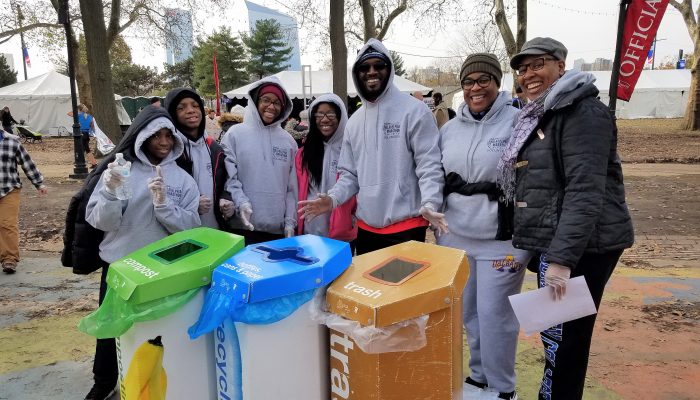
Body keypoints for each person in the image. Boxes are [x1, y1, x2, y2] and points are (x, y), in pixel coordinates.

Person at [499, 37, 634, 400]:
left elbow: (584, 190)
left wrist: (560, 259)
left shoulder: (582, 111)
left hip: (583, 247)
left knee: (566, 342)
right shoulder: (546, 111)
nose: (529, 74)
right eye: (523, 68)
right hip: (560, 243)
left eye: (538, 64)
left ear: (560, 65)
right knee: (555, 337)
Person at [80, 105, 201, 400]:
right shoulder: (120, 170)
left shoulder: (183, 180)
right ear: (142, 136)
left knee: (154, 330)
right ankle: (104, 381)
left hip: (161, 272)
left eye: (168, 136)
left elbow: (191, 229)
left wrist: (164, 207)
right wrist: (109, 193)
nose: (163, 142)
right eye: (156, 135)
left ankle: (149, 384)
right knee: (111, 330)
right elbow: (101, 221)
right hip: (121, 267)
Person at [437, 53, 530, 400]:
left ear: (497, 82)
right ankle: (478, 377)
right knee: (469, 314)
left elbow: (534, 177)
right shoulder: (449, 129)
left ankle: (503, 387)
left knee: (496, 317)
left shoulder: (520, 123)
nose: (475, 88)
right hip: (456, 237)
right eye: (468, 82)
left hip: (501, 240)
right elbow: (435, 175)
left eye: (483, 80)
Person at [298, 39, 446, 254]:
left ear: (390, 69)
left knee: (401, 289)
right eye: (365, 68)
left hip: (406, 226)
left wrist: (431, 202)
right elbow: (349, 174)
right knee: (371, 289)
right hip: (366, 229)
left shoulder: (414, 111)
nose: (371, 72)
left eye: (379, 66)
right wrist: (333, 198)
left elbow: (429, 165)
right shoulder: (355, 121)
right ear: (357, 74)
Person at [221, 76, 298, 244]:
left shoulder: (289, 141)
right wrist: (241, 203)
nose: (271, 106)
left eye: (277, 102)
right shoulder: (235, 135)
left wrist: (290, 221)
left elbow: (292, 188)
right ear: (256, 101)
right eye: (266, 100)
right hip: (241, 227)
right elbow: (229, 178)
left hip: (278, 230)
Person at [164, 88, 234, 230]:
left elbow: (225, 182)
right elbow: (161, 196)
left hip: (215, 231)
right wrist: (192, 204)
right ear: (172, 114)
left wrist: (226, 200)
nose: (191, 110)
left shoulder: (215, 149)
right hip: (180, 234)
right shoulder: (167, 151)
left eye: (195, 106)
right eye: (181, 107)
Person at [295, 93, 357, 247]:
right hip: (310, 231)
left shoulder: (351, 149)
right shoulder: (304, 153)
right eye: (319, 114)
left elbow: (356, 184)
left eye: (330, 113)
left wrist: (354, 217)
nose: (324, 119)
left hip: (342, 235)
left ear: (341, 116)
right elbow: (296, 189)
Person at [0, 128, 48, 274]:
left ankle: (10, 258)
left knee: (7, 224)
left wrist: (39, 183)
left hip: (9, 189)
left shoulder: (12, 141)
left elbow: (27, 163)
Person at [68, 104, 98, 169]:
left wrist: (75, 110)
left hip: (80, 134)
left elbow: (69, 113)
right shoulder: (90, 117)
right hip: (87, 134)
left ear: (79, 110)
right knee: (85, 149)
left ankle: (90, 163)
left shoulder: (78, 116)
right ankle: (91, 163)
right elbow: (92, 126)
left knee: (84, 150)